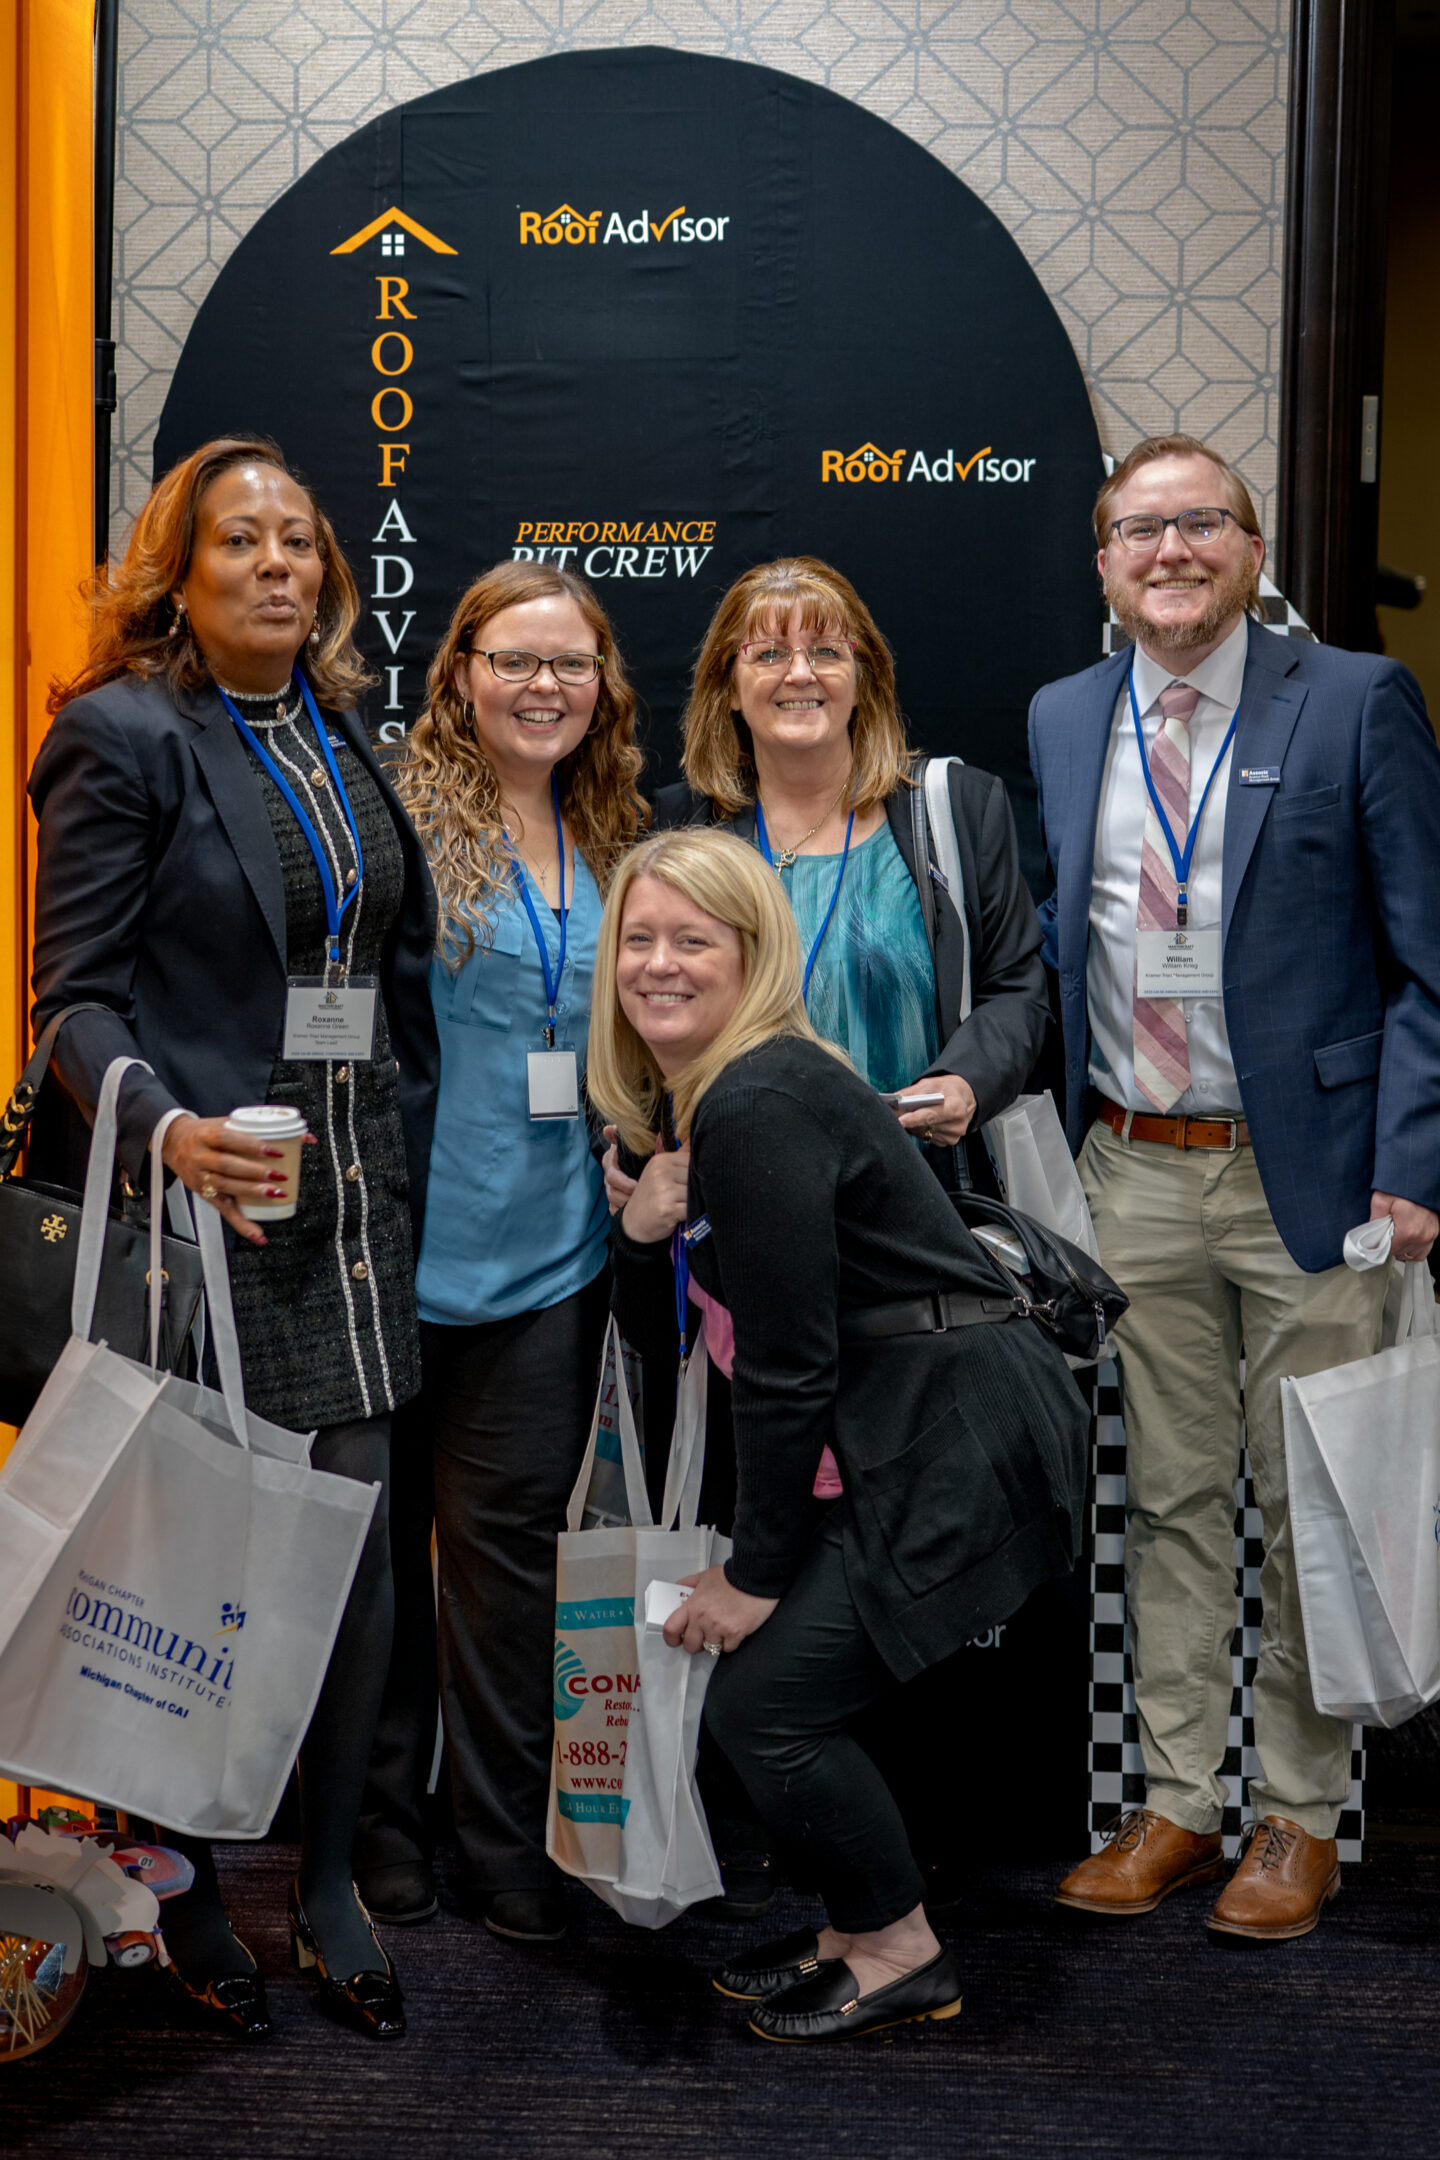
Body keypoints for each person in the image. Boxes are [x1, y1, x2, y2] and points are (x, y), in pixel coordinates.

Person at [27, 435, 441, 2038]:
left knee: (353, 1556)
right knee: (203, 1558)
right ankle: (192, 1885)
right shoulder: (124, 733)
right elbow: (72, 996)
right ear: (180, 574)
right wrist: (164, 1128)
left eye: (299, 544)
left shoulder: (338, 730)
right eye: (242, 543)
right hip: (206, 1207)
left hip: (346, 1204)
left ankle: (326, 1882)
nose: (278, 566)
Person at [1030, 433, 1440, 1939]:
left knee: (1313, 1501)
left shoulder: (1349, 701)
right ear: (1105, 566)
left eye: (1200, 524)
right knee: (1178, 1503)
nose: (1170, 553)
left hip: (1311, 1180)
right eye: (1140, 532)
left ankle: (1298, 1814)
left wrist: (1413, 1167)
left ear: (1253, 550)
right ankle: (1181, 1803)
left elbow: (1428, 964)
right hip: (1134, 1166)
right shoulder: (1068, 716)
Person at [603, 555, 1051, 1909]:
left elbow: (1028, 984)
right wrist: (647, 1169)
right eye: (766, 653)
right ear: (725, 686)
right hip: (750, 1263)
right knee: (780, 1512)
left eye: (827, 649)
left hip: (910, 1248)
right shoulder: (691, 836)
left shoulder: (944, 813)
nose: (799, 675)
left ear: (868, 673)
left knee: (899, 1549)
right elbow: (632, 1022)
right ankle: (807, 1858)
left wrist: (971, 1074)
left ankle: (914, 1873)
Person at [590, 828, 1088, 2042]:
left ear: (752, 957)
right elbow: (667, 1343)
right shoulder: (707, 1100)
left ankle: (900, 1947)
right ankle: (854, 1930)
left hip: (955, 1444)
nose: (659, 965)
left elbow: (789, 1364)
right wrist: (641, 1233)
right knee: (766, 1701)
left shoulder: (758, 1098)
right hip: (897, 1435)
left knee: (765, 1707)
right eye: (638, 941)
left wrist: (759, 1571)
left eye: (693, 941)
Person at [355, 562, 645, 1946]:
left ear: (604, 686)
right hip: (390, 1250)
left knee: (507, 1570)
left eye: (570, 665)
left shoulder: (618, 830)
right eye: (516, 662)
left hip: (552, 1259)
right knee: (375, 1563)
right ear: (460, 672)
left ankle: (501, 1839)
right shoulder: (393, 819)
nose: (544, 688)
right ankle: (380, 1830)